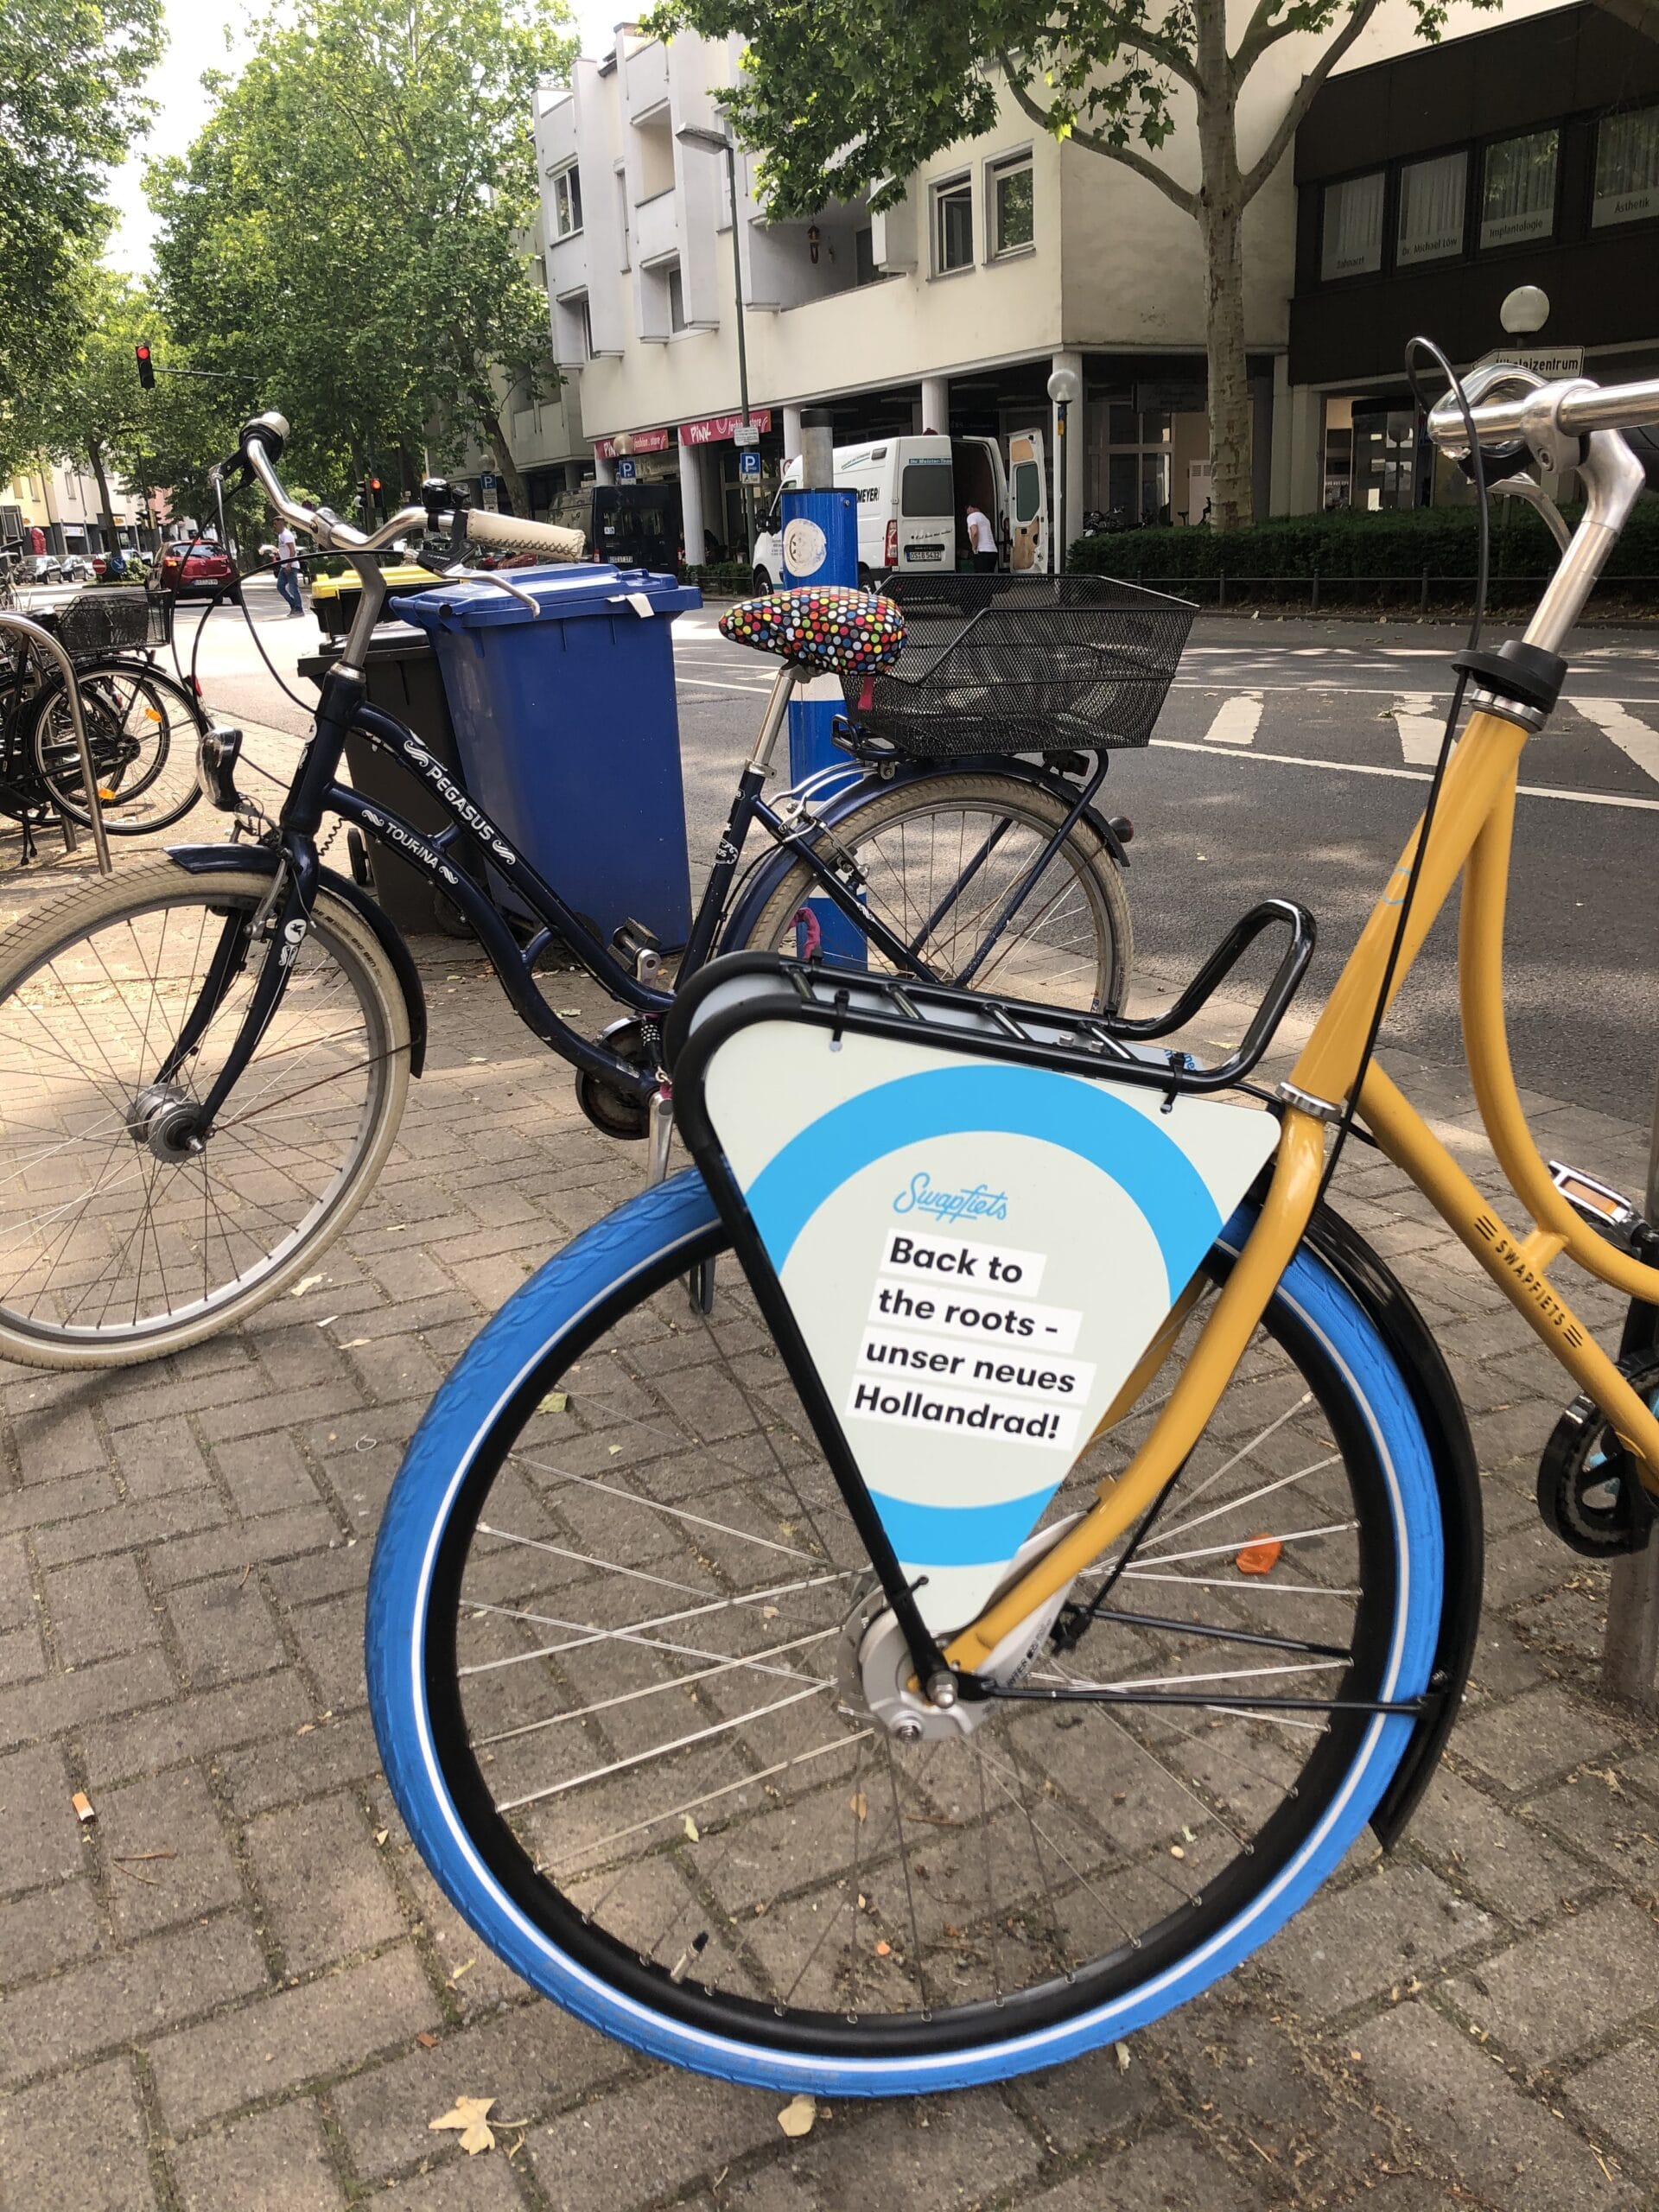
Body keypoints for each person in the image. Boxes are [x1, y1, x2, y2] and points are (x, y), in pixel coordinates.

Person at [275, 521, 302, 616]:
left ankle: (299, 609)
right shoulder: (281, 535)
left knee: (293, 588)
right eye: (274, 524)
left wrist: (289, 565)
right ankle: (294, 605)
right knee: (280, 586)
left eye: (276, 524)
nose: (275, 526)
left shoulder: (287, 535)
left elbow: (293, 550)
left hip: (291, 566)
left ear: (282, 524)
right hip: (284, 566)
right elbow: (284, 550)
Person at [964, 499, 998, 573]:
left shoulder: (972, 516)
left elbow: (975, 532)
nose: (967, 513)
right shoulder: (985, 518)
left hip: (982, 552)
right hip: (993, 552)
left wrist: (974, 547)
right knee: (989, 578)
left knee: (981, 580)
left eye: (966, 510)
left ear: (970, 507)